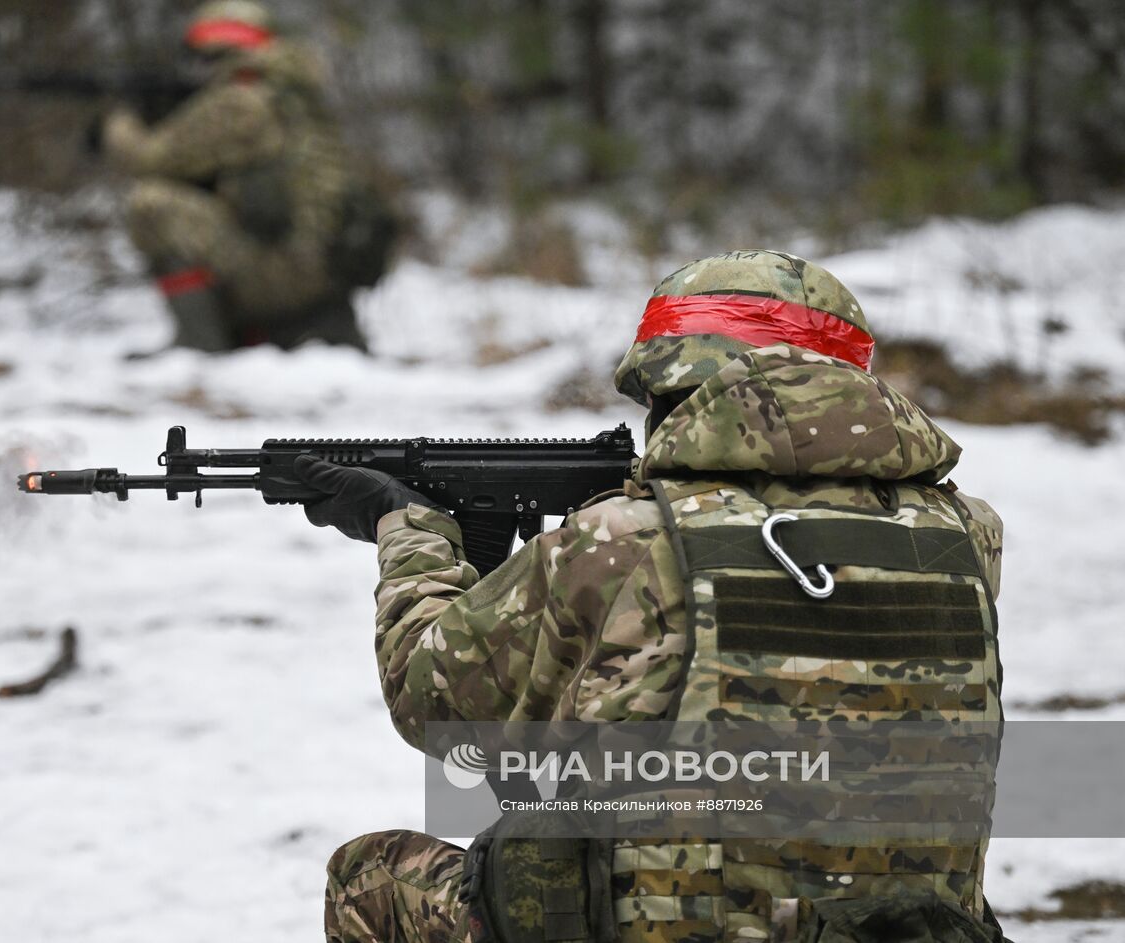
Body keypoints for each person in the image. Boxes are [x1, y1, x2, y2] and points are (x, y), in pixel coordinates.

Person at [294, 251, 1007, 943]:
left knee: (369, 879)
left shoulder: (621, 541)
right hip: (897, 930)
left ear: (680, 393)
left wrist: (408, 531)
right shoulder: (968, 538)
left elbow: (430, 701)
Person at [102, 0, 384, 355]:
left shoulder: (242, 102)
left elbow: (149, 158)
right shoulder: (293, 94)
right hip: (322, 273)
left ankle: (200, 346)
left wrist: (117, 123)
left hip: (287, 272)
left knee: (152, 204)